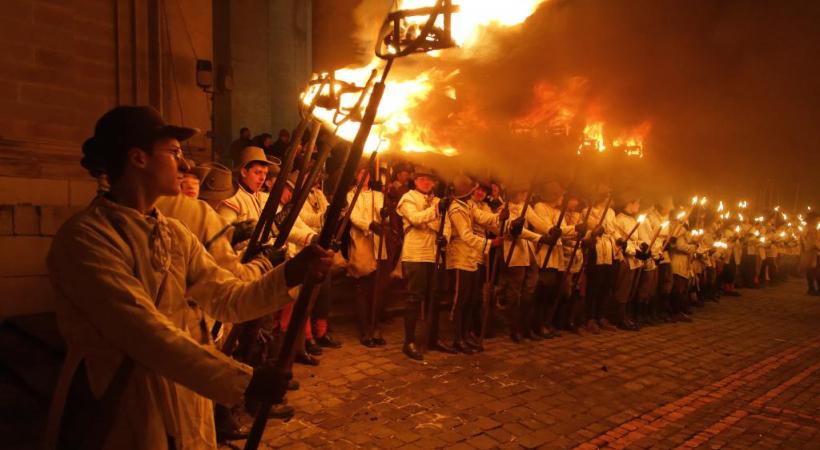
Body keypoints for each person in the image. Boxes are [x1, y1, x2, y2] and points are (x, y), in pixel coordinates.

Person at [45, 106, 331, 450]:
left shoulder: (174, 233)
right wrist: (244, 380)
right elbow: (145, 335)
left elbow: (229, 299)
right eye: (175, 153)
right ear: (138, 158)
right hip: (126, 408)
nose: (185, 166)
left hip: (186, 397)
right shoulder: (85, 239)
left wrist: (291, 272)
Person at [396, 166, 453, 360]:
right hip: (415, 254)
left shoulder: (438, 200)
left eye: (429, 179)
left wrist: (444, 236)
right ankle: (409, 341)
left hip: (434, 253)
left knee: (434, 297)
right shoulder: (408, 198)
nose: (426, 182)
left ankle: (432, 338)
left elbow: (446, 224)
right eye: (422, 179)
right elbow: (415, 218)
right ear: (415, 181)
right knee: (414, 298)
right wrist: (436, 212)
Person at [445, 174, 502, 354]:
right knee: (461, 299)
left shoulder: (467, 205)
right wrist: (490, 243)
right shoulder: (456, 208)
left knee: (471, 299)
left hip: (472, 257)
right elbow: (466, 236)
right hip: (460, 257)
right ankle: (457, 338)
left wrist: (499, 216)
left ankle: (466, 334)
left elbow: (484, 218)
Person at [347, 167, 390, 347]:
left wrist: (383, 214)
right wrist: (370, 225)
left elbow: (382, 217)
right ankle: (365, 330)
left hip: (377, 244)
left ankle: (375, 327)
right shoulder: (351, 195)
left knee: (376, 289)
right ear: (356, 176)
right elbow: (354, 217)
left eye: (367, 174)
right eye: (360, 173)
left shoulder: (378, 195)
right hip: (361, 243)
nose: (364, 177)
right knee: (362, 288)